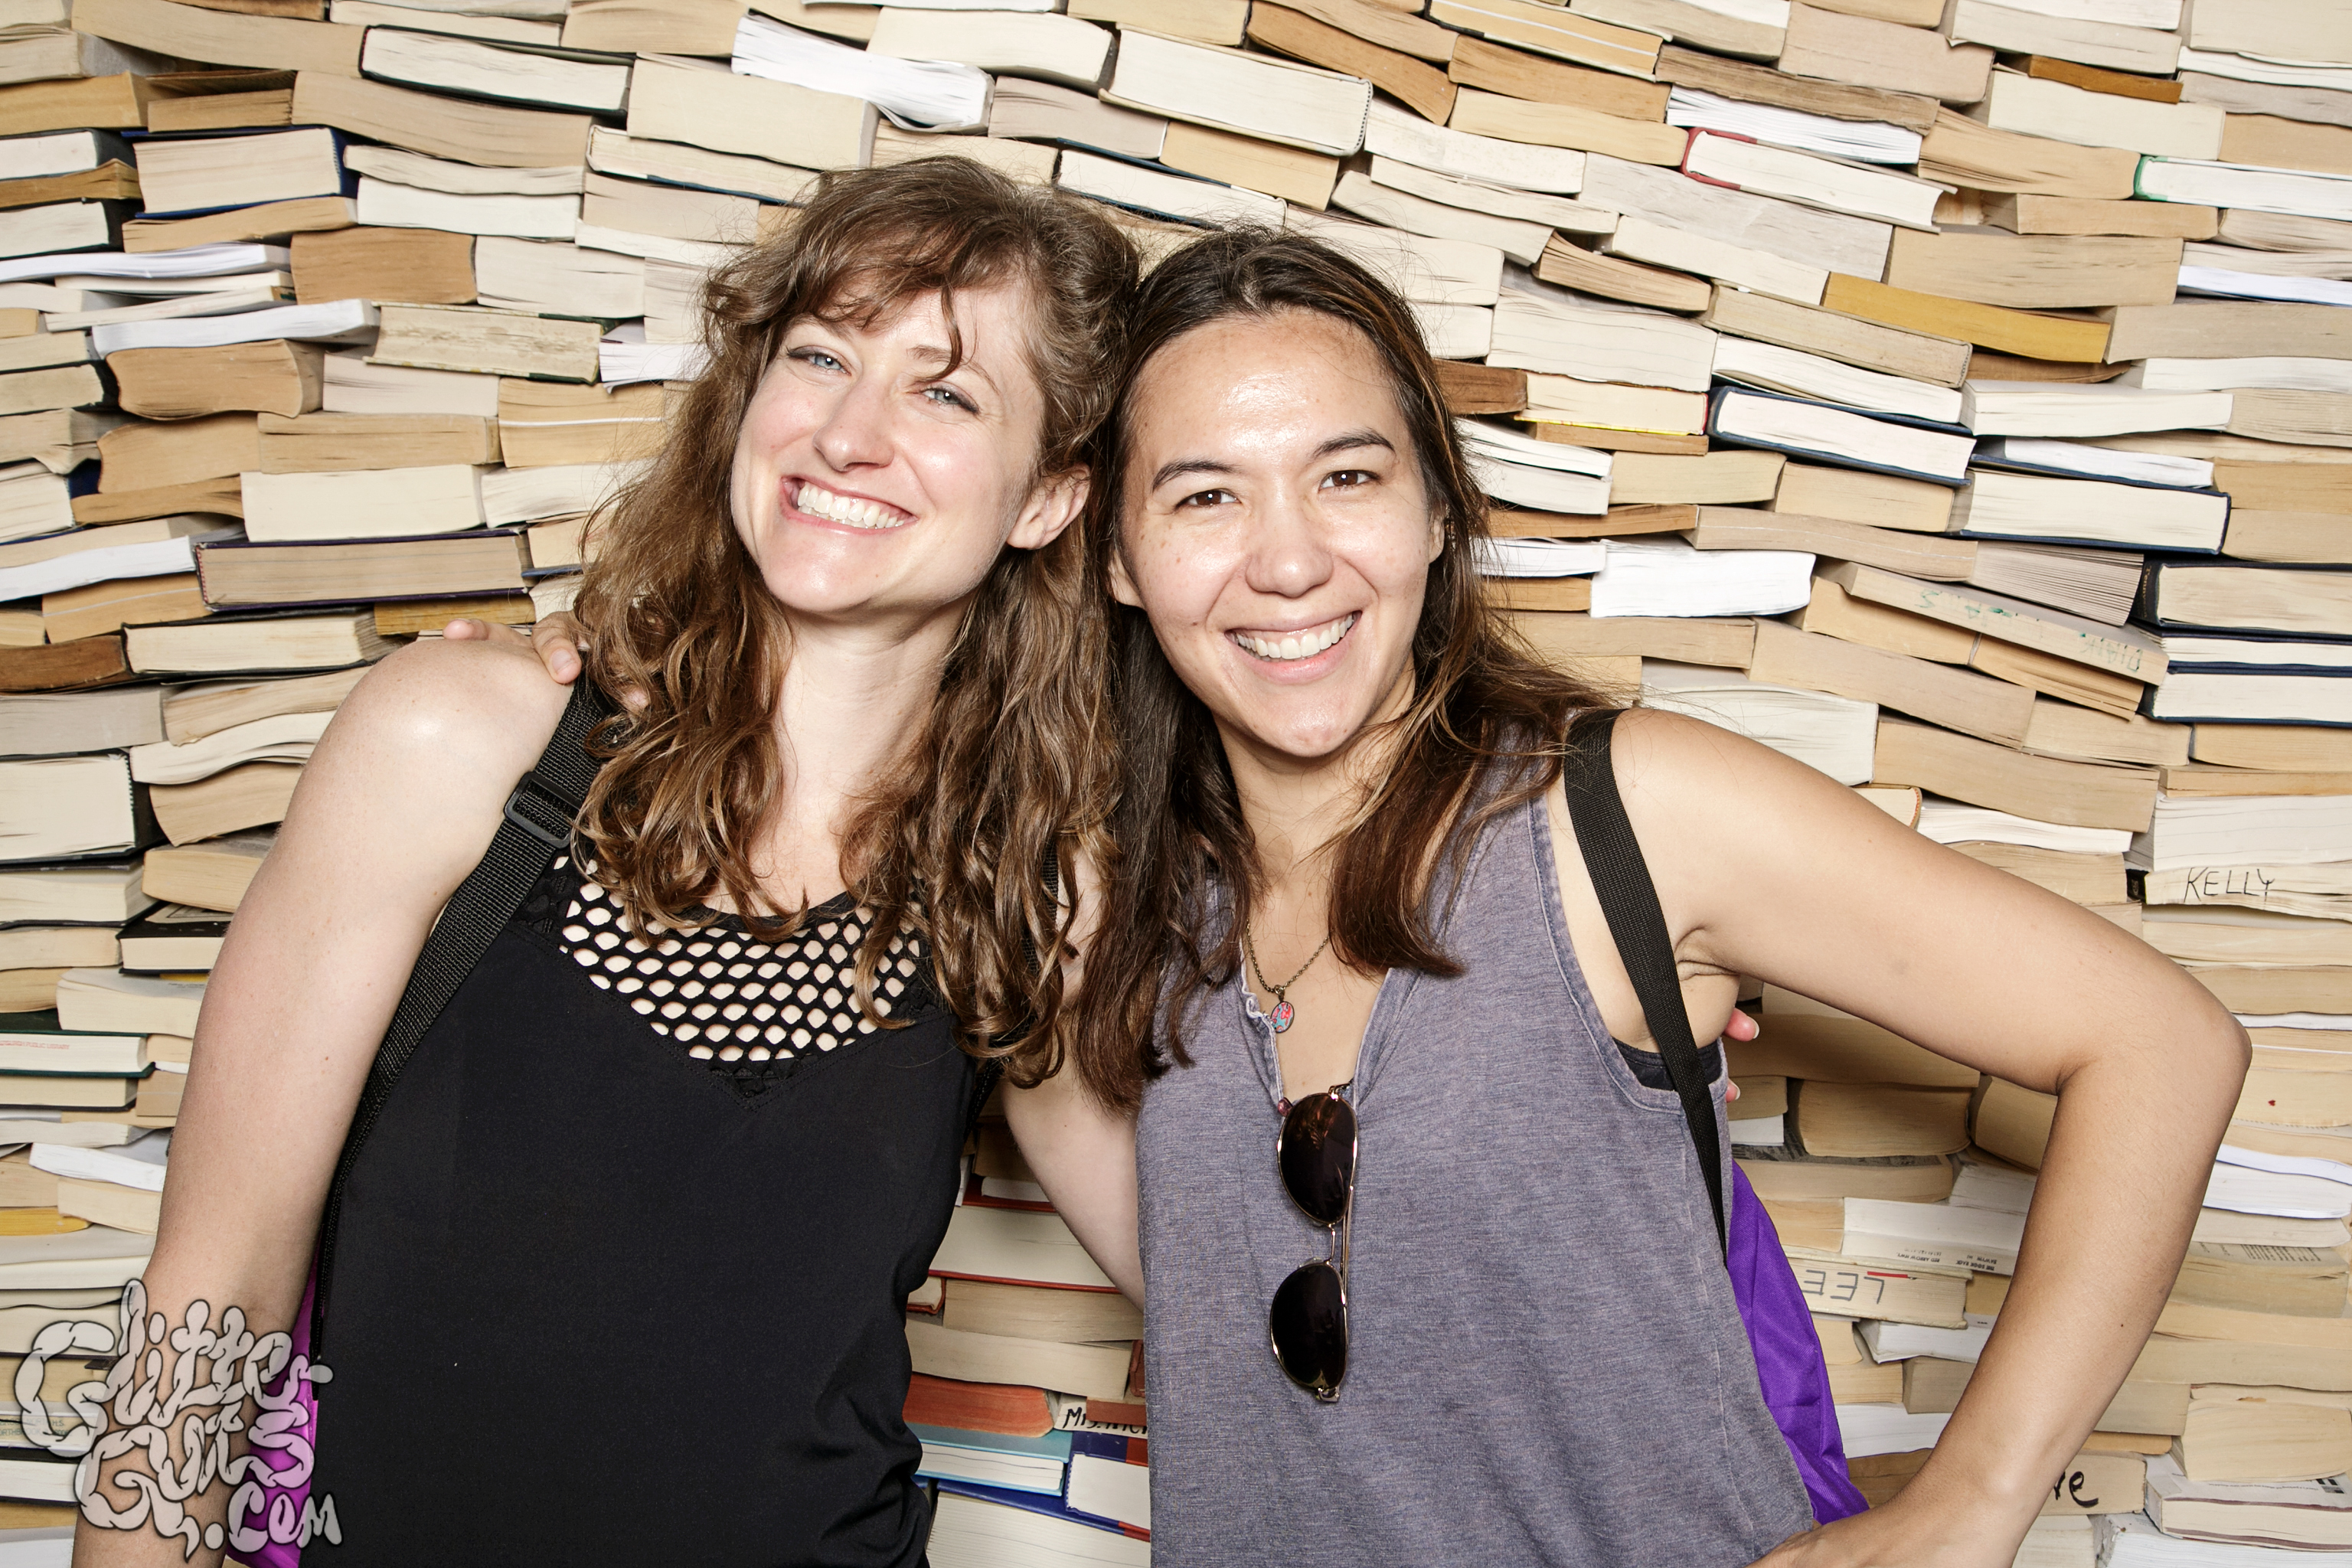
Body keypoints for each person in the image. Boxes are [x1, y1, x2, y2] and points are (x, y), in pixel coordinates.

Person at [1044, 229, 2247, 1566]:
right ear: (1116, 555)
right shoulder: (1115, 918)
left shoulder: (1622, 816)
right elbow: (1235, 1326)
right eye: (1206, 497)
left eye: (1348, 476)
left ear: (1437, 512)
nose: (1287, 561)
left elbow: (2161, 1041)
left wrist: (1971, 1504)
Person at [77, 159, 1144, 1567]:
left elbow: (1233, 1294)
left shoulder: (1024, 891)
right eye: (820, 356)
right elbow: (207, 1303)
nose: (848, 435)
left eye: (945, 396)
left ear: (1048, 500)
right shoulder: (466, 742)